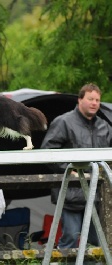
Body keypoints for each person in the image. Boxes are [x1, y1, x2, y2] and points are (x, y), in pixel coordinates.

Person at [41, 83, 112, 249]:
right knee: (71, 238)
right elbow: (47, 151)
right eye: (90, 99)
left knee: (97, 242)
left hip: (97, 195)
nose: (94, 103)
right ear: (80, 100)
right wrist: (68, 168)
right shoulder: (63, 122)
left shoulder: (105, 126)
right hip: (71, 193)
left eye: (97, 100)